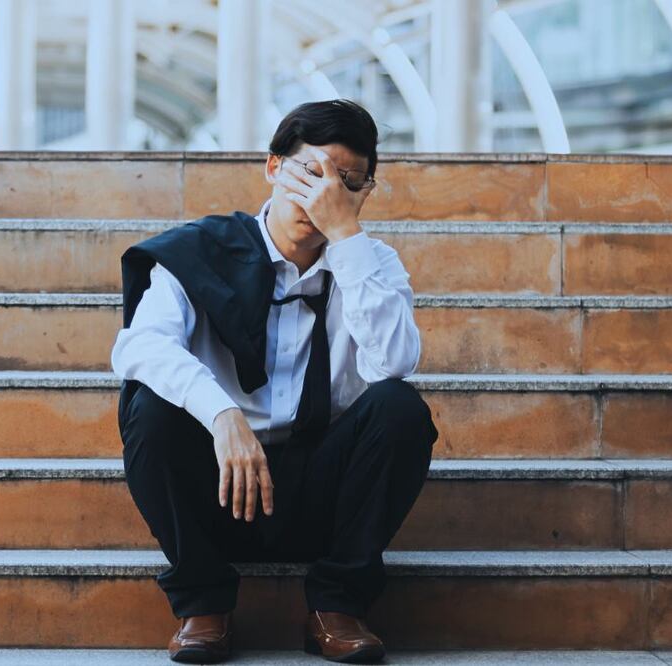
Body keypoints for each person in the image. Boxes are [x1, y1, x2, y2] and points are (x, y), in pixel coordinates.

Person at [111, 98, 439, 664]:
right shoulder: (199, 253)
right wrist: (221, 414)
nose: (321, 196)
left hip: (321, 491)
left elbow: (393, 365)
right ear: (272, 167)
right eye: (310, 172)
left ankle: (336, 606)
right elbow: (139, 345)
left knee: (400, 409)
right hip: (218, 488)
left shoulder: (373, 264)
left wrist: (347, 239)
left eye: (345, 184)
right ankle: (203, 605)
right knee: (150, 407)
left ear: (362, 195)